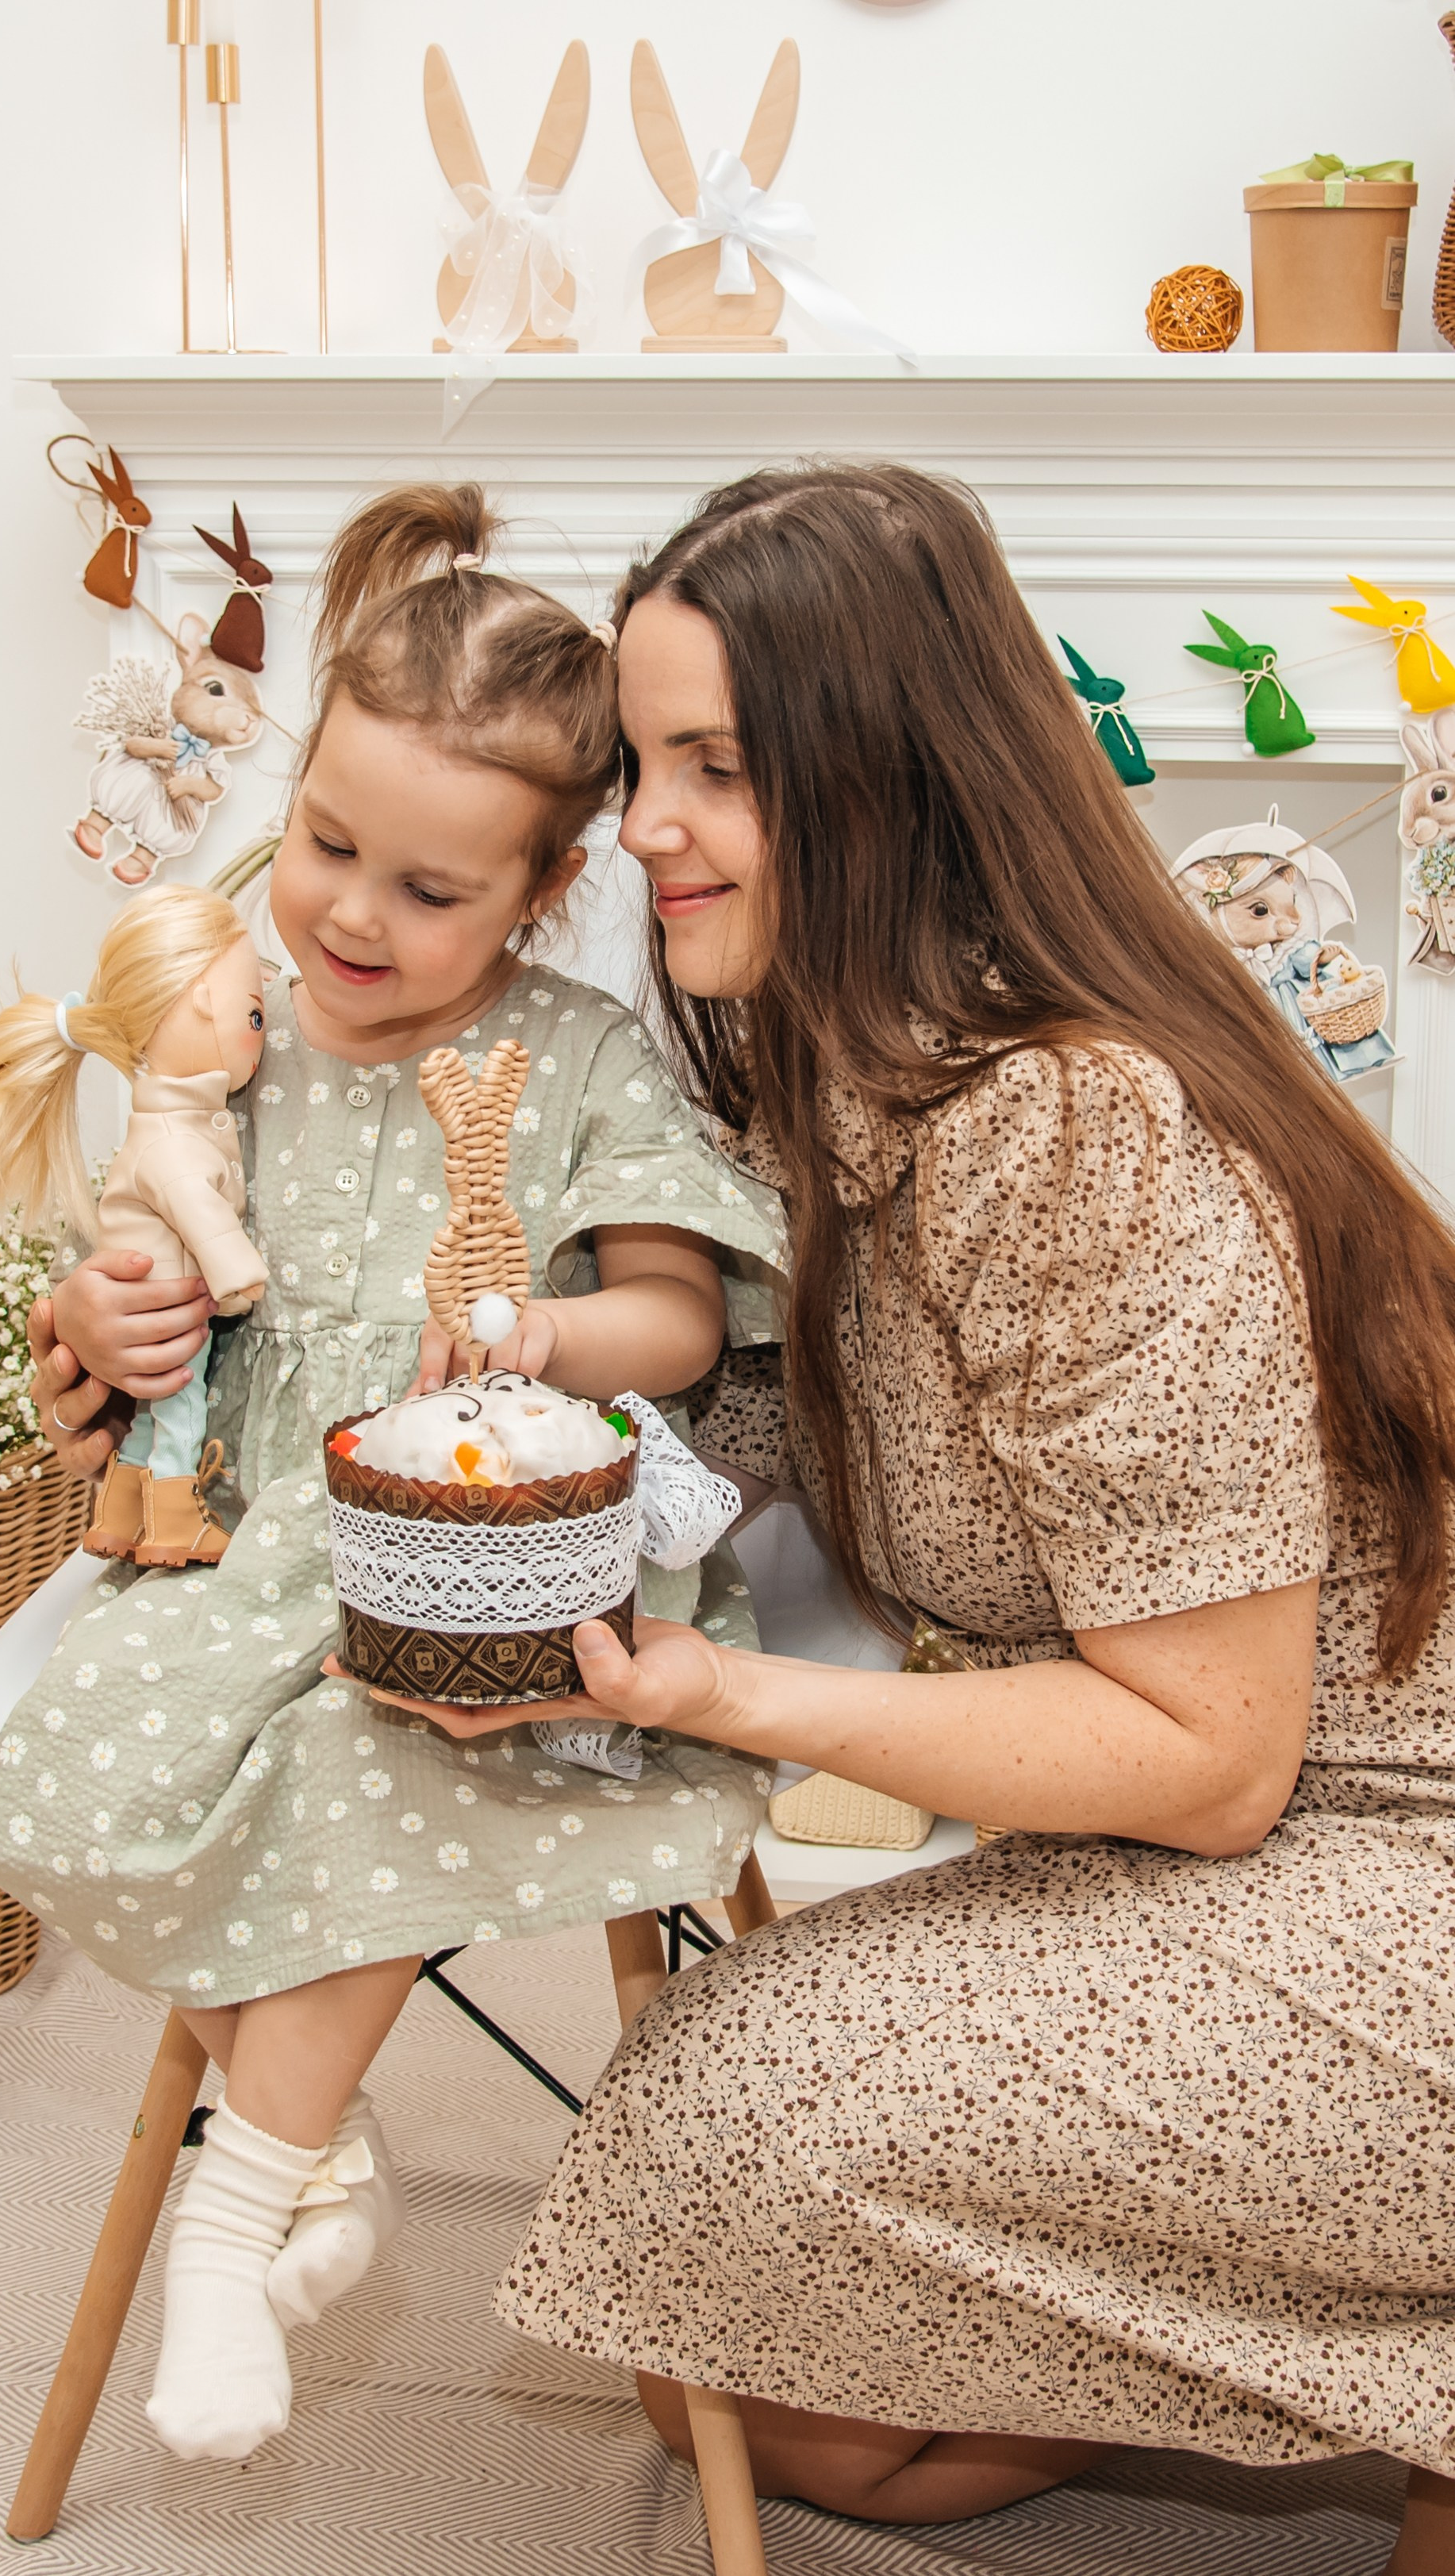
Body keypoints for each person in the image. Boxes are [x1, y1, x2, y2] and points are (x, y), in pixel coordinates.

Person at [369, 465, 1455, 2573]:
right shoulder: (874, 1066)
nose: (649, 825)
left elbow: (1212, 1759)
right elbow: (854, 1410)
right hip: (1269, 1846)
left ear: (895, 782)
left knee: (732, 2099)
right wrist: (545, 1374)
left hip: (1394, 1868)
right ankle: (1368, 2371)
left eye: (721, 767)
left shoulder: (1084, 1123)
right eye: (642, 762)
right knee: (785, 2411)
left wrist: (717, 1687)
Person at [0, 480, 785, 2467]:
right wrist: (110, 1322)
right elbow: (130, 1282)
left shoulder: (583, 1055)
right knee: (87, 1749)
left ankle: (233, 2201)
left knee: (375, 1747)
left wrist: (538, 1332)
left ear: (547, 882)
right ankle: (317, 2147)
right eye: (326, 846)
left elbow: (677, 1321)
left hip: (497, 1559)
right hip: (254, 1552)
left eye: (429, 893)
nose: (350, 914)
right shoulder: (235, 1035)